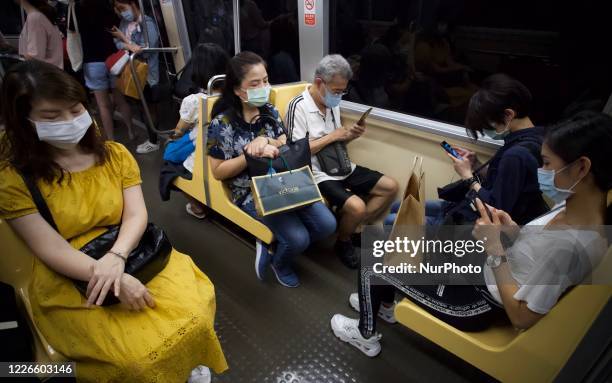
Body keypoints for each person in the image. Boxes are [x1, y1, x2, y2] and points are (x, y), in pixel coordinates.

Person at [0, 60, 227, 381]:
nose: (69, 121)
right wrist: (109, 276)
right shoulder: (16, 179)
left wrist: (117, 259)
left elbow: (135, 213)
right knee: (132, 359)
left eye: (76, 110)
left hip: (127, 245)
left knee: (195, 311)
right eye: (51, 117)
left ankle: (185, 364)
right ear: (24, 122)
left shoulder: (114, 154)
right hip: (70, 267)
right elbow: (48, 248)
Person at [332, 110, 612, 357]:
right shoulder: (571, 207)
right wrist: (511, 229)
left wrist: (495, 249)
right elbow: (533, 254)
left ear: (582, 167)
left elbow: (521, 317)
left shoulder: (571, 248)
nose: (542, 171)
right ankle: (384, 304)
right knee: (401, 242)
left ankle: (365, 336)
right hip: (479, 272)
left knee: (372, 261)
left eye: (548, 164)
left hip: (478, 303)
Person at [207, 51, 336, 288]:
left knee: (327, 224)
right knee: (298, 238)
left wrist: (266, 141)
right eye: (255, 83)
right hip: (250, 189)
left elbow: (285, 142)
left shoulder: (269, 111)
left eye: (266, 80)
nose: (264, 87)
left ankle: (275, 242)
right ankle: (280, 262)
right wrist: (249, 154)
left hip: (284, 178)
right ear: (237, 89)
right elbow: (218, 171)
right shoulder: (221, 124)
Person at [386, 74, 550, 227]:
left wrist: (468, 177)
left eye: (488, 125)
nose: (487, 131)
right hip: (474, 207)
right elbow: (507, 180)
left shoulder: (516, 155)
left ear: (508, 115)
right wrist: (477, 164)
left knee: (392, 219)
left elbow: (496, 208)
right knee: (396, 206)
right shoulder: (536, 138)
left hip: (481, 218)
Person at [286, 54, 399, 269]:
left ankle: (352, 228)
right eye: (336, 91)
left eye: (342, 91)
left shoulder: (332, 104)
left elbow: (338, 138)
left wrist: (351, 134)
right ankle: (343, 240)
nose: (339, 96)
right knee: (356, 206)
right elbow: (295, 153)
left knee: (390, 187)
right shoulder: (298, 106)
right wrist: (334, 136)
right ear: (319, 83)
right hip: (317, 172)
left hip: (342, 164)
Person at [161, 42, 229, 219]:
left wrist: (172, 137)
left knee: (168, 163)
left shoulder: (194, 101)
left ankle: (197, 206)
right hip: (229, 151)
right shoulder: (235, 95)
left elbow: (179, 131)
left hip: (204, 157)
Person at [110, 0, 161, 153]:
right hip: (132, 71)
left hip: (147, 74)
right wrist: (129, 45)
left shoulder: (147, 23)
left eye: (123, 8)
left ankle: (154, 140)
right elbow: (117, 43)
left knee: (149, 108)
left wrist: (125, 40)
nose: (121, 13)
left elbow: (146, 49)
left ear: (133, 4)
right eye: (118, 10)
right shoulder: (124, 22)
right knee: (141, 107)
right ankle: (152, 138)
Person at [75, 0, 125, 141]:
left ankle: (111, 138)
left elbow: (72, 30)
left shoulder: (78, 7)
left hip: (92, 60)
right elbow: (115, 26)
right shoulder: (107, 6)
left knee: (103, 105)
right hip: (113, 58)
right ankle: (132, 132)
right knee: (120, 99)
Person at [17, 0, 63, 68]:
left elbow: (35, 58)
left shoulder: (35, 18)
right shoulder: (39, 15)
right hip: (51, 74)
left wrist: (13, 57)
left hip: (44, 75)